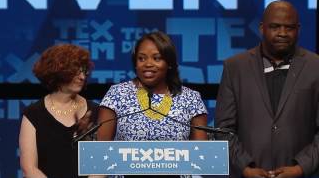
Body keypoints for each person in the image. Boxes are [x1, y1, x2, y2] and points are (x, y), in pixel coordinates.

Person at [215, 0, 319, 178]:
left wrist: (300, 168)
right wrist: (245, 168)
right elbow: (224, 129)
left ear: (299, 29)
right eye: (275, 27)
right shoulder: (235, 67)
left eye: (289, 27)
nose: (282, 33)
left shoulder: (315, 66)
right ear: (262, 28)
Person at [95, 31, 208, 177]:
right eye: (141, 59)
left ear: (169, 63)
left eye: (157, 58)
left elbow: (201, 159)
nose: (148, 64)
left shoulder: (191, 98)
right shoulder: (117, 94)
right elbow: (100, 153)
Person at [19, 44, 99, 178]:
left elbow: (100, 167)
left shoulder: (95, 112)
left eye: (84, 71)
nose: (82, 77)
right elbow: (29, 168)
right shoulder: (34, 114)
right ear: (58, 71)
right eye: (76, 71)